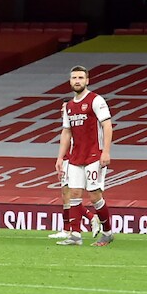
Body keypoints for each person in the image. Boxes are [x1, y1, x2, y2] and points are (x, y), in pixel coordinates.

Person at [54, 65, 115, 246]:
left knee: (95, 195)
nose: (77, 81)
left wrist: (106, 151)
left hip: (94, 155)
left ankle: (107, 232)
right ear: (70, 81)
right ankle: (75, 235)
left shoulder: (96, 100)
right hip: (76, 156)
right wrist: (60, 157)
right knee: (74, 193)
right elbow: (66, 132)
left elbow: (107, 125)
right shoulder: (69, 106)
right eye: (74, 78)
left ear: (87, 80)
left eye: (81, 78)